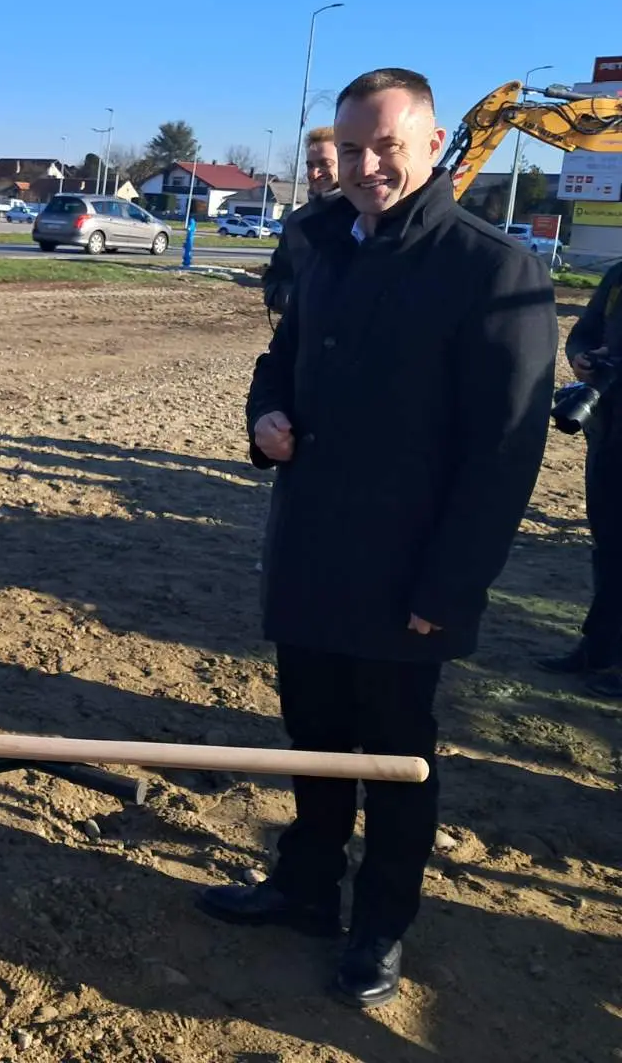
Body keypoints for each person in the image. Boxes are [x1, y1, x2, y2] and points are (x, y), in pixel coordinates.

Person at [198, 68, 557, 1008]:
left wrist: (451, 590)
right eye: (350, 149)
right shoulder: (319, 240)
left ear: (434, 146)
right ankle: (307, 886)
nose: (364, 167)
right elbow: (278, 361)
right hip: (310, 549)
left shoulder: (493, 270)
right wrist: (265, 416)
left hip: (407, 578)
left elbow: (504, 456)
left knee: (396, 757)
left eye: (385, 147)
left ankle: (381, 925)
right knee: (312, 736)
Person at [537, 260, 622, 699]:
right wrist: (583, 359)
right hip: (608, 432)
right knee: (608, 548)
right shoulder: (619, 275)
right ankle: (599, 648)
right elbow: (585, 330)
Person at [261, 125, 341, 315]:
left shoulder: (366, 218)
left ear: (347, 162)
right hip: (301, 338)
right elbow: (274, 278)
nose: (314, 173)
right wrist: (290, 297)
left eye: (325, 164)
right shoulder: (297, 221)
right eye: (310, 165)